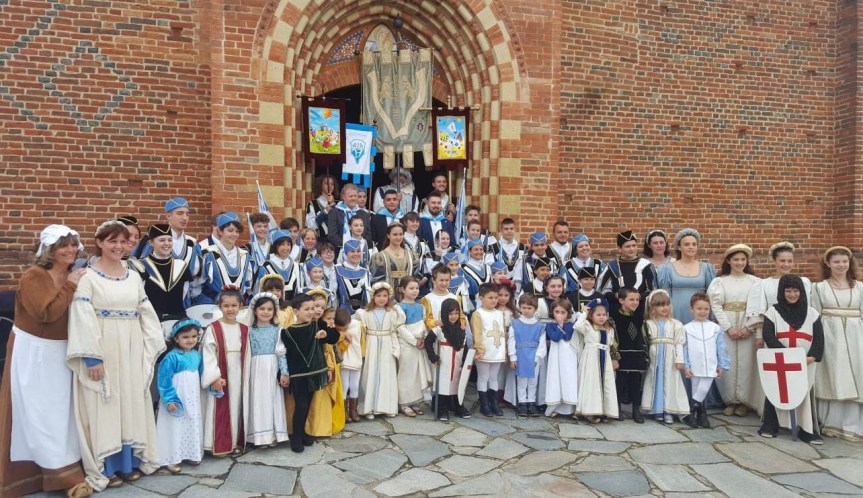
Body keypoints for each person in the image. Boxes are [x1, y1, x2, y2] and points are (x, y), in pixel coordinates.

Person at [67, 221, 165, 491]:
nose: (118, 247)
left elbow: (144, 311)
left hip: (132, 346)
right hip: (104, 347)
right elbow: (82, 317)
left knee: (130, 399)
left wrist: (150, 344)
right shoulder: (88, 277)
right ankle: (105, 465)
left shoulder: (133, 276)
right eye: (112, 241)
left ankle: (127, 462)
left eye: (123, 242)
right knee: (105, 402)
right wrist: (91, 356)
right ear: (99, 242)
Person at [0, 225, 91, 498]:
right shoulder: (34, 276)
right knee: (39, 413)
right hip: (34, 352)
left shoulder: (75, 274)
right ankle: (63, 477)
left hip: (61, 350)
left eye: (74, 244)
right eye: (64, 245)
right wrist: (72, 284)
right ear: (49, 250)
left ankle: (64, 468)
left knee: (63, 414)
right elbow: (47, 313)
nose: (70, 250)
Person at [759, 275, 824, 444]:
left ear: (801, 292)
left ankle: (806, 429)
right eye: (788, 290)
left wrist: (813, 356)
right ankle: (771, 425)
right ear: (782, 291)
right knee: (776, 390)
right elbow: (768, 335)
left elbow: (819, 338)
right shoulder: (773, 311)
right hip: (780, 361)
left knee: (802, 391)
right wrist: (786, 355)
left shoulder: (812, 313)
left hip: (804, 362)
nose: (792, 294)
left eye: (795, 290)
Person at [812, 246, 863, 441]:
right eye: (836, 262)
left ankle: (853, 424)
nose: (841, 265)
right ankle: (831, 422)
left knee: (856, 375)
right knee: (833, 375)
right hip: (830, 336)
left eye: (844, 261)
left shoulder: (859, 287)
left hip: (856, 337)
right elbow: (814, 316)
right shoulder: (819, 288)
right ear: (828, 264)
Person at [281, 294, 340, 452]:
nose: (310, 312)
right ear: (296, 311)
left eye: (313, 308)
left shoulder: (318, 325)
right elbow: (286, 355)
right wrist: (286, 373)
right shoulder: (287, 332)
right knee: (300, 405)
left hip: (315, 372)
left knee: (308, 404)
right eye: (306, 309)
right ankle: (296, 437)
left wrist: (326, 334)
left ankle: (304, 432)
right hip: (299, 375)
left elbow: (335, 337)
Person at [707, 244, 762, 417]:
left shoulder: (755, 282)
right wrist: (728, 327)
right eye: (736, 259)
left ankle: (745, 401)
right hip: (728, 324)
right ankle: (730, 399)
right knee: (727, 361)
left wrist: (749, 327)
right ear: (729, 261)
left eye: (743, 259)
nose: (739, 263)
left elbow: (759, 307)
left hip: (748, 325)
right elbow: (716, 305)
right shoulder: (720, 282)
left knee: (747, 363)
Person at [200, 288, 248, 457]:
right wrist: (214, 376)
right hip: (222, 375)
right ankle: (216, 443)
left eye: (234, 305)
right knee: (219, 407)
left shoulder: (244, 329)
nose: (230, 309)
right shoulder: (213, 328)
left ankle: (233, 441)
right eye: (226, 305)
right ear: (219, 306)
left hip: (239, 374)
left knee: (236, 407)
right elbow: (208, 353)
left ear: (241, 306)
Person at [156, 320, 206, 473]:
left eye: (193, 336)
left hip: (193, 397)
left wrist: (214, 383)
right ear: (176, 338)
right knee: (174, 424)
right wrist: (170, 399)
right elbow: (163, 380)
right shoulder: (171, 357)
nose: (190, 340)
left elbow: (203, 373)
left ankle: (190, 453)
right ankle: (171, 457)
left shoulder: (197, 355)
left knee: (191, 421)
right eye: (185, 337)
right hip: (177, 396)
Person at [244, 292, 289, 447]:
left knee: (272, 398)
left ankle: (273, 435)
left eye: (269, 309)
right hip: (255, 369)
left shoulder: (278, 329)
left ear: (274, 311)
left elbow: (281, 352)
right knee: (257, 399)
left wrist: (284, 372)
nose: (265, 312)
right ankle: (259, 437)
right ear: (255, 310)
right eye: (262, 308)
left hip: (272, 366)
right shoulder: (249, 330)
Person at [746, 241, 812, 346]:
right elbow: (760, 312)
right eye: (782, 261)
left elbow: (808, 309)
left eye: (790, 261)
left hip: (799, 332)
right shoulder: (763, 284)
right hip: (772, 330)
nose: (786, 264)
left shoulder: (803, 282)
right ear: (774, 261)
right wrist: (759, 336)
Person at [640, 289, 689, 424]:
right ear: (652, 307)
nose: (665, 308)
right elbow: (646, 342)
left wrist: (679, 359)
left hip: (670, 357)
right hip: (655, 357)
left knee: (670, 381)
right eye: (661, 305)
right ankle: (656, 409)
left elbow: (679, 343)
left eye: (667, 305)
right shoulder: (648, 324)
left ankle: (669, 410)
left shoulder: (676, 324)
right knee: (655, 380)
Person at [355, 283, 403, 419]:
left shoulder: (392, 313)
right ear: (373, 297)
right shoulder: (365, 313)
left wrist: (395, 348)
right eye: (378, 296)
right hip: (372, 344)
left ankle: (387, 407)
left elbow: (395, 329)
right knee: (370, 374)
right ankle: (368, 407)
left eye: (385, 296)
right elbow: (355, 325)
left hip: (387, 344)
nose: (382, 299)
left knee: (387, 374)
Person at [684, 293, 730, 428]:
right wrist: (686, 365)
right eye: (699, 308)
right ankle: (701, 414)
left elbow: (721, 348)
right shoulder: (686, 328)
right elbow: (684, 349)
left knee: (703, 388)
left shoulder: (715, 328)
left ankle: (691, 410)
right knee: (696, 389)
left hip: (711, 364)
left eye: (706, 309)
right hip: (694, 364)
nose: (703, 312)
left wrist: (722, 364)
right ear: (691, 309)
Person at [424, 297, 471, 420]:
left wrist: (466, 361)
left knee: (457, 386)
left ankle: (458, 407)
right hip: (444, 363)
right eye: (450, 314)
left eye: (456, 313)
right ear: (445, 313)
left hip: (458, 363)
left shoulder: (462, 330)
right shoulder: (439, 329)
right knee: (443, 386)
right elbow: (428, 342)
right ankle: (441, 410)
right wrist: (433, 357)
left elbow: (464, 346)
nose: (454, 316)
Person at [656, 228, 717, 323]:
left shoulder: (706, 269)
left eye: (694, 244)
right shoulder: (667, 269)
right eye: (687, 244)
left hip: (700, 314)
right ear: (679, 247)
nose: (691, 247)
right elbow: (663, 296)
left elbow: (712, 296)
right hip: (675, 314)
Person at [575, 297, 619, 422]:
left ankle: (604, 411)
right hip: (591, 358)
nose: (601, 317)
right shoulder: (588, 326)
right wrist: (584, 313)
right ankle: (590, 411)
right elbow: (577, 326)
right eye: (598, 314)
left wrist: (614, 358)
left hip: (605, 358)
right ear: (591, 315)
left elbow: (611, 344)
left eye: (604, 315)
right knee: (592, 383)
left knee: (606, 383)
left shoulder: (609, 329)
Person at [136, 224, 193, 319]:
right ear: (151, 242)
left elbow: (184, 293)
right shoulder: (140, 265)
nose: (167, 243)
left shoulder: (181, 265)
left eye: (170, 240)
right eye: (162, 240)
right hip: (151, 319)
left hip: (178, 319)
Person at [194, 212, 253, 304]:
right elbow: (196, 284)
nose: (234, 234)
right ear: (220, 231)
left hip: (235, 307)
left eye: (237, 231)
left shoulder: (245, 255)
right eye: (230, 230)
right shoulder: (208, 254)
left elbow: (247, 286)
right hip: (211, 305)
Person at [138, 197, 201, 278]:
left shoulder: (192, 243)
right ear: (168, 216)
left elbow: (197, 276)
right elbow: (143, 269)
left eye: (187, 214)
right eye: (180, 213)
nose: (185, 218)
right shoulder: (153, 241)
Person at [397, 277, 432, 417]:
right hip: (408, 344)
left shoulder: (420, 306)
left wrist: (423, 338)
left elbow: (423, 323)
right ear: (402, 289)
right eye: (411, 288)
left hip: (419, 343)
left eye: (416, 288)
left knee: (417, 372)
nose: (414, 291)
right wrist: (413, 340)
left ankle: (415, 400)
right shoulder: (399, 307)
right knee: (407, 373)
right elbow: (400, 327)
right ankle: (404, 402)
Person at [612, 287, 647, 423]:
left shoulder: (639, 316)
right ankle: (617, 407)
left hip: (636, 353)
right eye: (631, 299)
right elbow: (613, 338)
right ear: (621, 300)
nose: (635, 302)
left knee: (635, 382)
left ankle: (636, 409)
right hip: (622, 353)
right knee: (620, 381)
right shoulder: (615, 317)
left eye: (637, 299)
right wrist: (614, 356)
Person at [508, 293, 547, 417]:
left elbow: (542, 344)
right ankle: (522, 404)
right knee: (522, 381)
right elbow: (512, 340)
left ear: (535, 309)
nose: (526, 310)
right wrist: (512, 357)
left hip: (533, 356)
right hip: (521, 355)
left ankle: (531, 403)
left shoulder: (540, 326)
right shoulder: (515, 323)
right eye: (524, 307)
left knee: (533, 381)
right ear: (519, 307)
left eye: (529, 308)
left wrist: (538, 357)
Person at [472, 283, 507, 417]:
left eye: (495, 297)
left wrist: (503, 350)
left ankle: (494, 403)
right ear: (482, 298)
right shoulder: (478, 314)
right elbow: (477, 333)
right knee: (483, 377)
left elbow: (501, 332)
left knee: (494, 377)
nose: (494, 300)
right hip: (485, 351)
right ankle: (484, 404)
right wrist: (479, 349)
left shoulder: (499, 313)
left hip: (497, 350)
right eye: (490, 297)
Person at [598, 230, 654, 312]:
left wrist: (637, 297)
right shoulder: (612, 266)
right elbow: (603, 291)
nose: (632, 249)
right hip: (617, 310)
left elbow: (652, 290)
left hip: (641, 310)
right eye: (627, 246)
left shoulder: (646, 265)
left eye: (634, 245)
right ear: (620, 249)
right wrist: (618, 296)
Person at [544, 299, 579, 418]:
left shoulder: (571, 325)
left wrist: (563, 326)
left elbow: (568, 335)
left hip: (569, 356)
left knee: (569, 378)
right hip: (556, 356)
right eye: (557, 312)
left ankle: (571, 408)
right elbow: (555, 337)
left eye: (563, 312)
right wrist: (559, 326)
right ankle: (555, 407)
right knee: (556, 378)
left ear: (568, 313)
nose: (560, 315)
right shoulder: (550, 326)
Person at [335, 309, 364, 423]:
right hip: (343, 358)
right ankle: (344, 411)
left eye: (345, 328)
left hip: (356, 356)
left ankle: (353, 410)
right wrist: (342, 334)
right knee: (344, 385)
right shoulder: (335, 328)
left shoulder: (358, 325)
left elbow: (362, 340)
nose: (343, 330)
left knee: (355, 385)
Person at [327, 183, 372, 253]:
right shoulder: (334, 212)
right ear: (343, 197)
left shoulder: (364, 214)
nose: (353, 198)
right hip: (340, 251)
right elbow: (332, 235)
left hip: (360, 251)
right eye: (350, 196)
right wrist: (349, 247)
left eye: (355, 196)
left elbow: (368, 236)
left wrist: (358, 247)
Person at [370, 223, 418, 289]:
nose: (398, 237)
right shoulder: (380, 257)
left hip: (407, 296)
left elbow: (415, 277)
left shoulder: (411, 255)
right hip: (387, 296)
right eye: (395, 234)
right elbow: (377, 281)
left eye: (400, 234)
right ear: (388, 235)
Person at [255, 230, 301, 299]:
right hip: (271, 306)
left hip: (292, 307)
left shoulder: (297, 266)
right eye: (282, 244)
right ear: (275, 246)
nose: (286, 248)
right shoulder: (265, 266)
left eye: (288, 244)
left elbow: (300, 290)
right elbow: (259, 291)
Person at [334, 239, 372, 313]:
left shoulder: (365, 272)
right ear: (346, 253)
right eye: (352, 251)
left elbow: (368, 296)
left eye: (358, 251)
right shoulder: (337, 269)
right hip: (343, 313)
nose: (356, 254)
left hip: (362, 313)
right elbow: (333, 296)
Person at [488, 218, 525, 290]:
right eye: (506, 229)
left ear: (515, 229)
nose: (509, 231)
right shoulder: (493, 247)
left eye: (511, 229)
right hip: (498, 286)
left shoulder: (522, 247)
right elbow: (489, 268)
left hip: (517, 286)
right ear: (501, 230)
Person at [306, 174, 339, 239]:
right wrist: (325, 212)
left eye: (332, 184)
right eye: (326, 183)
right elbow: (309, 225)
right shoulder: (313, 204)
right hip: (320, 240)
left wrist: (333, 204)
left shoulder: (338, 204)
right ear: (320, 185)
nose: (330, 186)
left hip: (336, 241)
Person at [461, 240, 492, 305]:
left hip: (489, 305)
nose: (479, 252)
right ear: (469, 251)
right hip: (472, 305)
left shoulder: (488, 267)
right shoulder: (463, 268)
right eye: (476, 249)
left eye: (481, 249)